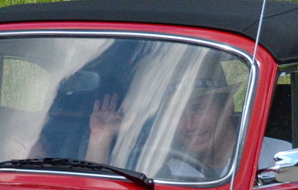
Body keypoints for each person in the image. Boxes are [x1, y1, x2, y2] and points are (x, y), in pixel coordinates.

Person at [85, 74, 237, 180]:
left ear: (227, 106)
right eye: (176, 113)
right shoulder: (168, 172)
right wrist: (101, 137)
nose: (189, 124)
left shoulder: (261, 160)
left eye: (199, 108)